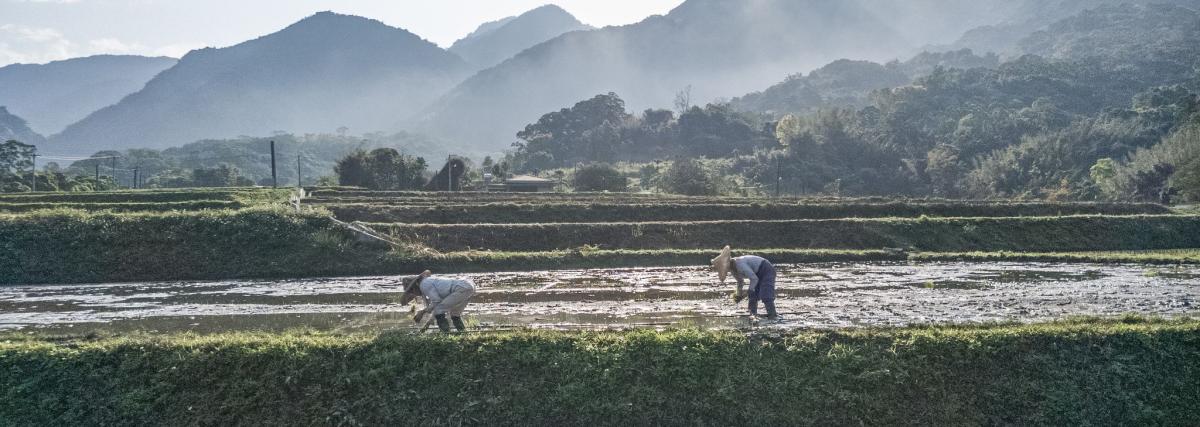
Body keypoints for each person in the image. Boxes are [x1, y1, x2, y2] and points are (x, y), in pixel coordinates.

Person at [711, 246, 778, 320]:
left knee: (765, 293)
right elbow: (740, 282)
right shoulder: (733, 269)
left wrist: (750, 290)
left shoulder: (741, 264)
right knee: (752, 296)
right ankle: (753, 315)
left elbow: (754, 278)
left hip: (766, 269)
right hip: (756, 273)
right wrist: (738, 295)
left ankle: (772, 315)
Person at [398, 270, 477, 333]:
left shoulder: (424, 284)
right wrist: (425, 327)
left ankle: (446, 335)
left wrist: (422, 312)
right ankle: (463, 334)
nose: (415, 295)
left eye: (412, 292)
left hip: (461, 288)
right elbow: (436, 307)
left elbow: (437, 303)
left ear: (414, 287)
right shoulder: (427, 282)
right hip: (468, 286)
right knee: (455, 314)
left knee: (440, 310)